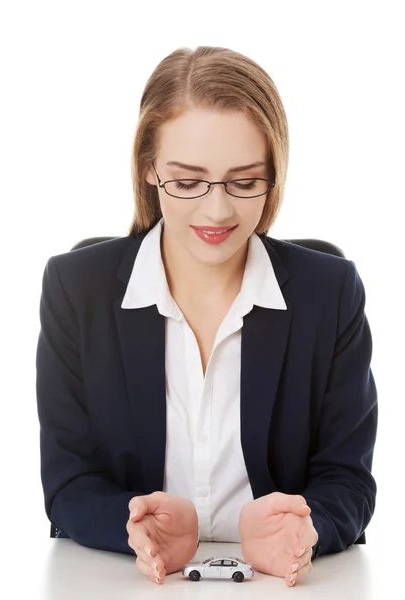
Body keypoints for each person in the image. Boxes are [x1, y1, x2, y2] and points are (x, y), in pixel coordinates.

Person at [36, 45, 377, 588]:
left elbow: (347, 479)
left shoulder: (330, 293)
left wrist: (309, 528)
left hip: (284, 586)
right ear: (149, 168)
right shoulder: (76, 290)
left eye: (245, 182)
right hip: (127, 582)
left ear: (274, 171)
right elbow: (69, 479)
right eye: (188, 181)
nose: (217, 212)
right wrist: (129, 526)